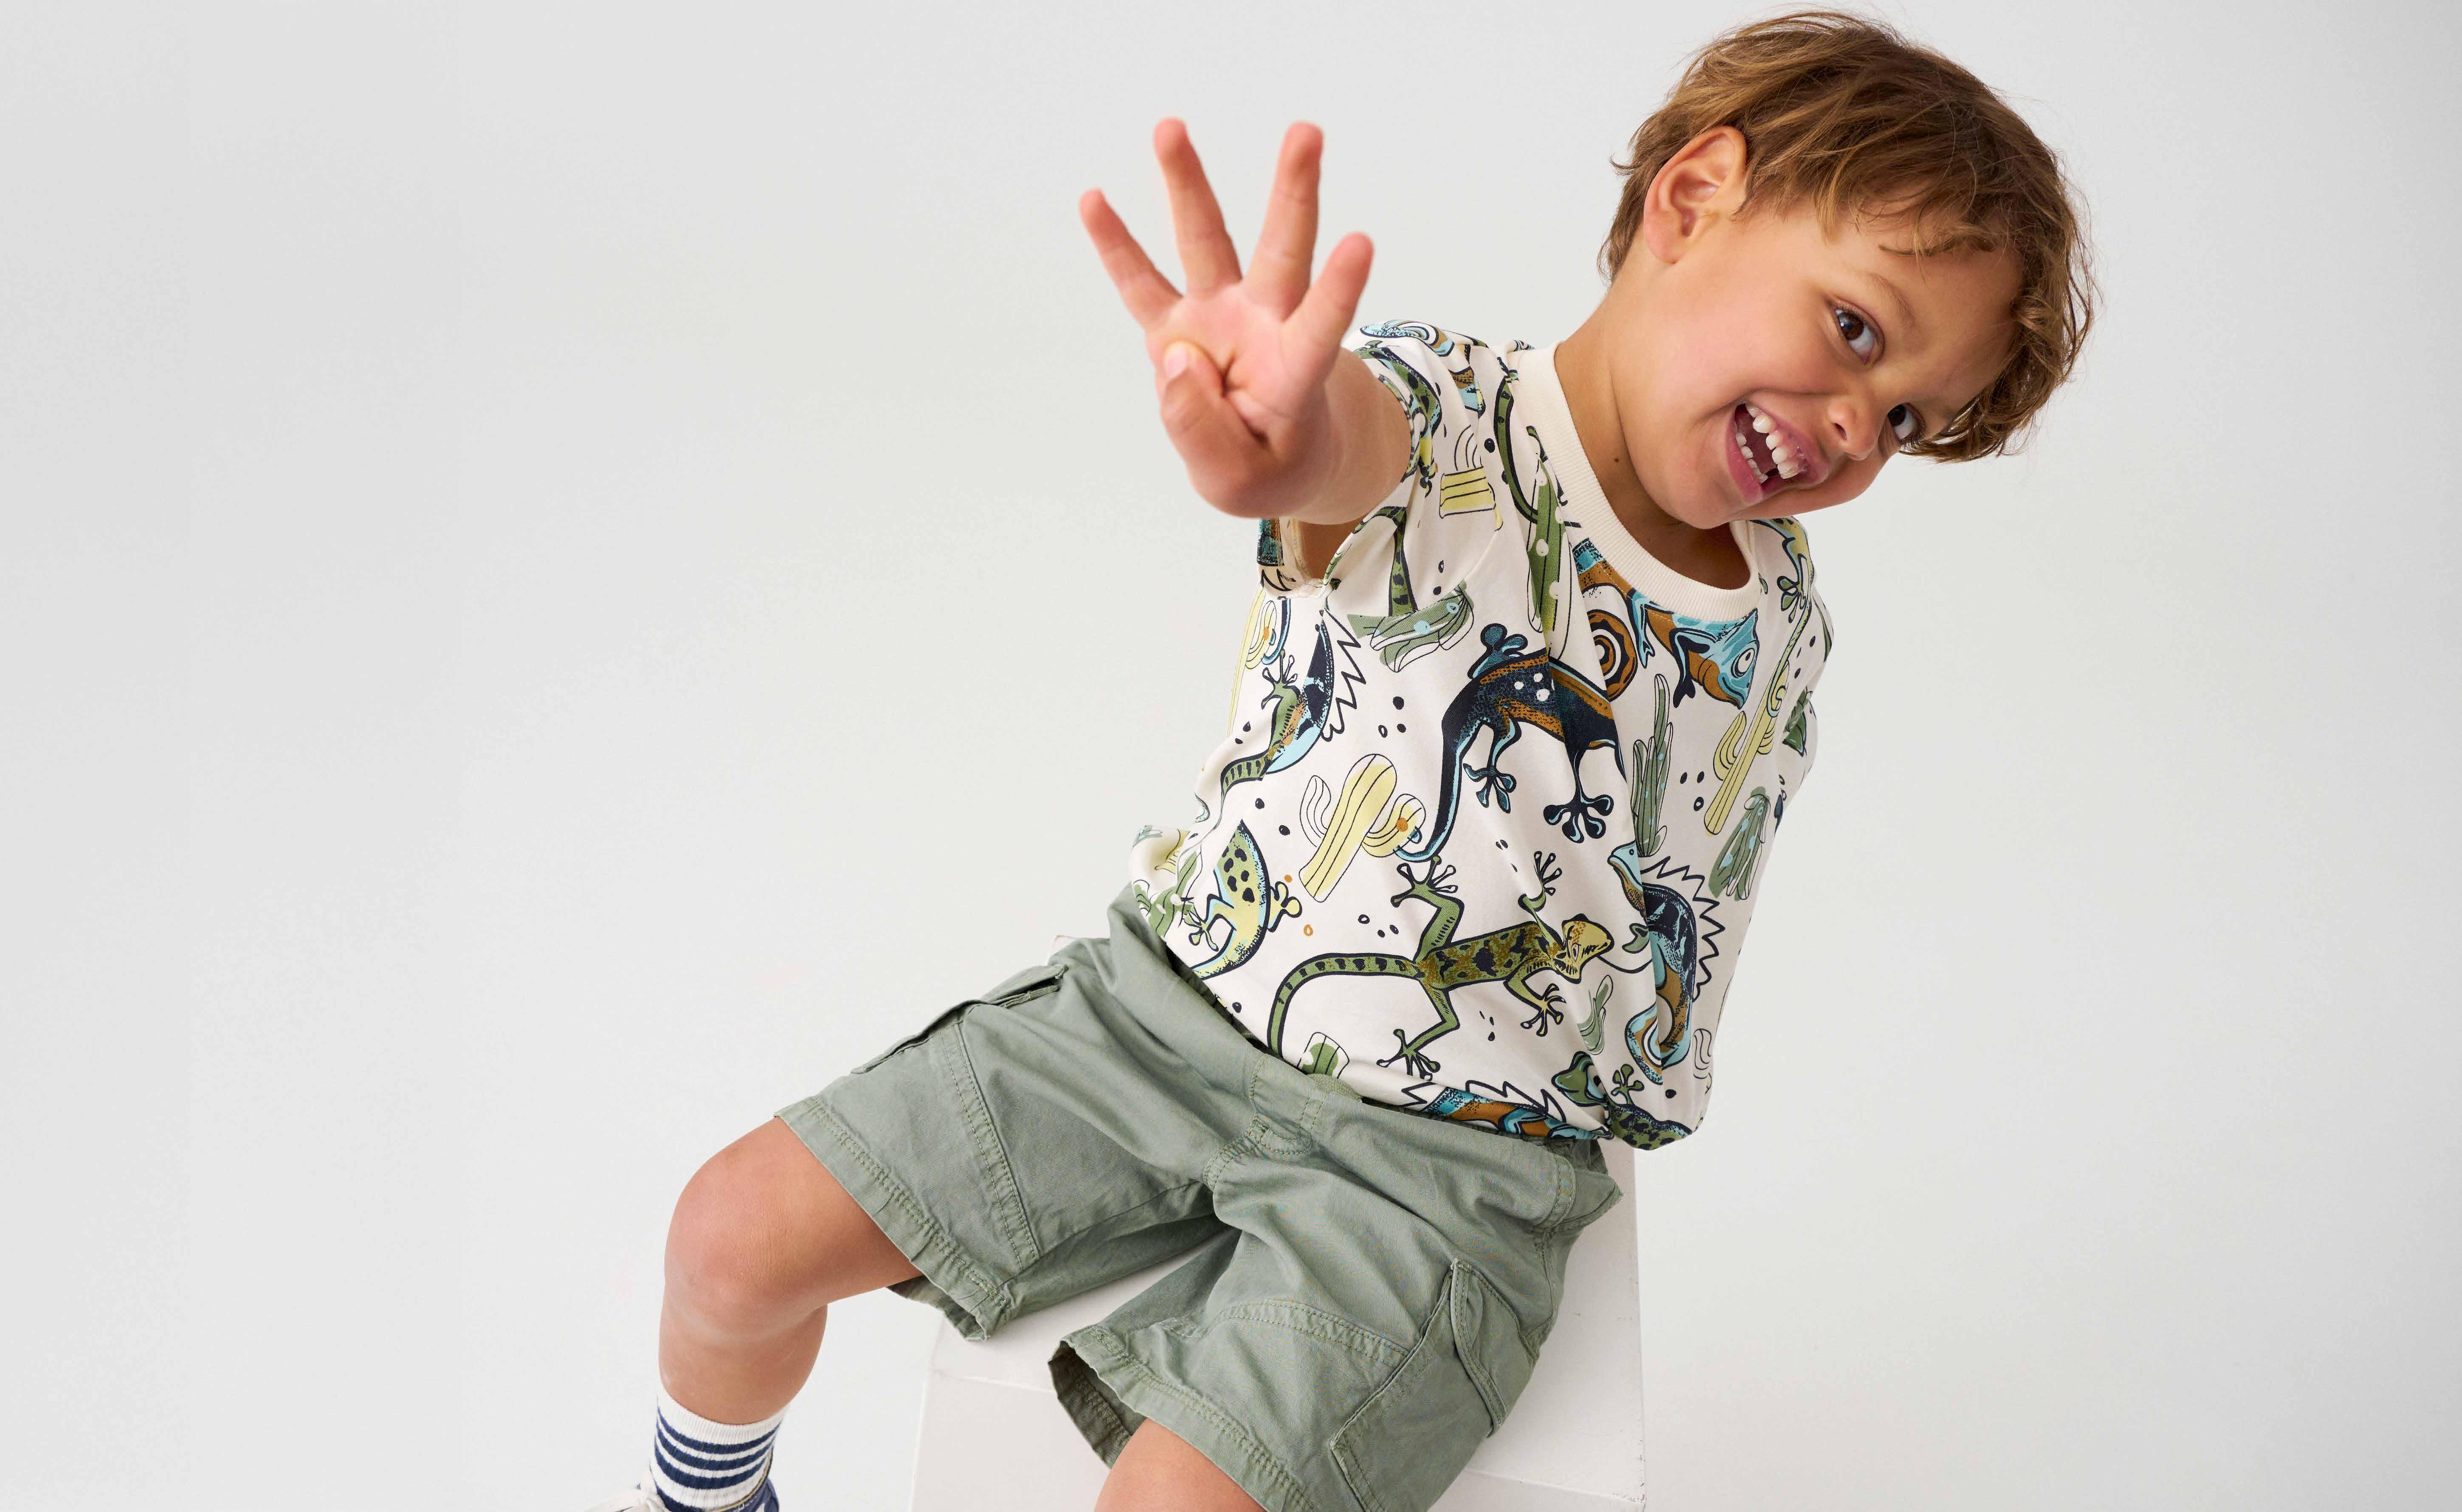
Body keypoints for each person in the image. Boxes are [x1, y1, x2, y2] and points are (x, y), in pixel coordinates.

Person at [592, 11, 2093, 1511]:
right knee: (729, 1237)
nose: (1853, 427)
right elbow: (1346, 454)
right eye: (1853, 331)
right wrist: (1278, 439)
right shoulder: (1447, 415)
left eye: (1906, 417)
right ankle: (705, 1502)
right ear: (1692, 200)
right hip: (1162, 1018)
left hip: (1446, 1174)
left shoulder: (1778, 615)